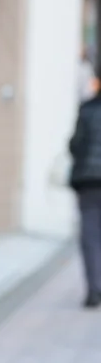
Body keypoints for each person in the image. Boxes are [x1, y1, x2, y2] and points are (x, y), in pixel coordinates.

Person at [69, 69, 101, 308]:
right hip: (89, 181)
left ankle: (94, 288)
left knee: (90, 235)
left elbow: (75, 144)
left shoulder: (87, 109)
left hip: (89, 181)